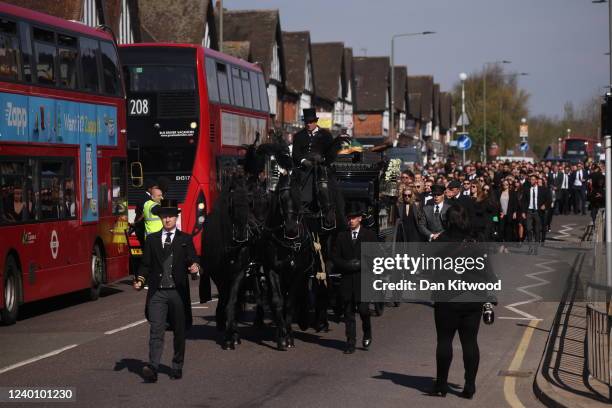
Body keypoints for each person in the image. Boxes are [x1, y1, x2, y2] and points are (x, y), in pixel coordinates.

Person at [133, 199, 200, 382]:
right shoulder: (152, 240)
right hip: (157, 293)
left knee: (179, 331)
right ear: (160, 218)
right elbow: (145, 265)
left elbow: (193, 260)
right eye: (164, 216)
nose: (167, 220)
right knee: (156, 330)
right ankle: (153, 367)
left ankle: (177, 365)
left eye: (170, 216)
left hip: (177, 292)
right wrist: (140, 280)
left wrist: (194, 267)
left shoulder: (185, 239)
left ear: (176, 218)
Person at [430, 205, 488, 399]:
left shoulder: (442, 240)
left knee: (444, 341)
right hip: (473, 299)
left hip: (447, 299)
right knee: (470, 342)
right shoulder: (476, 240)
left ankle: (441, 385)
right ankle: (470, 385)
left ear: (449, 220)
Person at [330, 201, 377, 354]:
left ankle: (367, 332)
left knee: (363, 310)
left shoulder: (369, 235)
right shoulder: (342, 236)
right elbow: (335, 257)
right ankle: (350, 342)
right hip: (347, 280)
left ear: (360, 219)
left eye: (354, 218)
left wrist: (361, 264)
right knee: (348, 314)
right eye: (349, 218)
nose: (351, 221)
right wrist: (347, 265)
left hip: (363, 280)